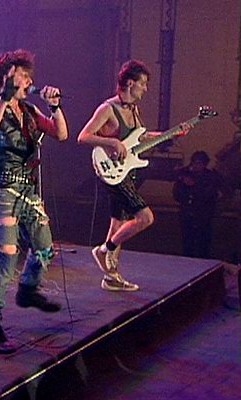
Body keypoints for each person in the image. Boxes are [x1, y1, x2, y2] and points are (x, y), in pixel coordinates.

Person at [0, 49, 69, 354]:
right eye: (22, 76)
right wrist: (5, 99)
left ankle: (28, 289)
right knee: (7, 254)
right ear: (6, 78)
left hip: (28, 188)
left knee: (45, 248)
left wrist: (55, 107)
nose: (28, 82)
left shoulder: (29, 111)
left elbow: (61, 134)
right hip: (3, 189)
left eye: (29, 77)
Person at [77, 59, 190, 291]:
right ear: (130, 83)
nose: (145, 89)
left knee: (117, 224)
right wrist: (111, 142)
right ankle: (104, 250)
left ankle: (111, 277)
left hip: (126, 172)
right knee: (145, 218)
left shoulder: (133, 109)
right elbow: (83, 136)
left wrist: (170, 134)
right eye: (143, 83)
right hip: (111, 172)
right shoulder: (107, 109)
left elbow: (140, 137)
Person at [173, 150, 223, 258]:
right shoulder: (185, 175)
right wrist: (184, 186)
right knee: (188, 243)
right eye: (194, 162)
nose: (196, 166)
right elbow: (177, 194)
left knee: (203, 244)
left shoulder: (210, 177)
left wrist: (195, 186)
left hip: (204, 216)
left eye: (199, 163)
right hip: (187, 215)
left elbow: (211, 195)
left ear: (204, 164)